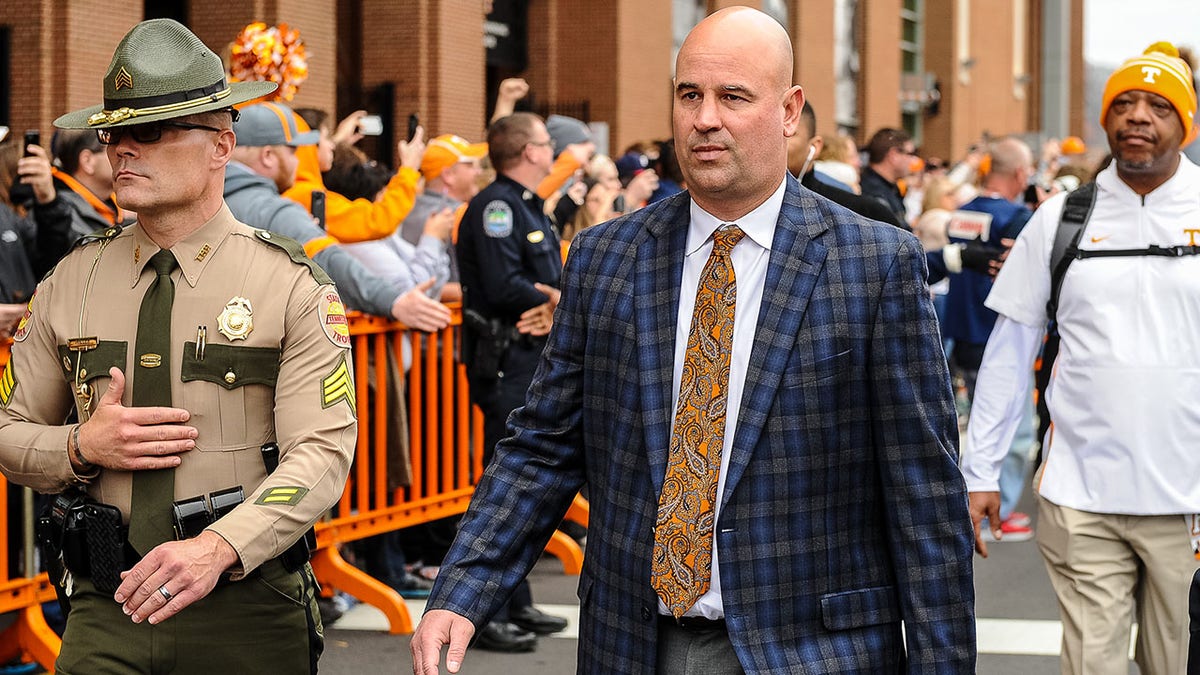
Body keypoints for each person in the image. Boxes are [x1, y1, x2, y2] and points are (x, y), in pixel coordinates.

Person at [413, 8, 975, 674]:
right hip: (635, 642)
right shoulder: (605, 257)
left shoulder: (875, 264)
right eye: (689, 95)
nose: (704, 118)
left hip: (815, 651)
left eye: (733, 96)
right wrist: (464, 585)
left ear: (790, 110)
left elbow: (924, 496)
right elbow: (544, 444)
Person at [0, 20, 356, 673]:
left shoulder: (291, 285)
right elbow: (7, 430)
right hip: (108, 608)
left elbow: (323, 455)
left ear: (222, 145)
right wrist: (79, 447)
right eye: (114, 135)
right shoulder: (68, 284)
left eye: (151, 132)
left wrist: (220, 545)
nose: (123, 151)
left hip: (248, 608)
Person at [962, 42, 1200, 675]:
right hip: (1081, 498)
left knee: (1173, 661)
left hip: (1189, 504)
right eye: (1123, 103)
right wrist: (980, 470)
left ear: (1186, 124)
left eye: (1157, 105)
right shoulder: (1061, 219)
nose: (1138, 117)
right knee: (1092, 664)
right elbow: (1010, 352)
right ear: (1105, 120)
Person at [451, 111, 570, 653]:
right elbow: (504, 285)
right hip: (502, 354)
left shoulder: (527, 205)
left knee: (520, 478)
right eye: (546, 143)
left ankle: (515, 600)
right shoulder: (496, 206)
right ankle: (482, 610)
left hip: (527, 354)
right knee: (504, 479)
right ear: (528, 151)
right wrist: (552, 299)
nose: (551, 150)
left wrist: (551, 298)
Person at [222, 102, 451, 333]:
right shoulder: (280, 206)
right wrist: (395, 302)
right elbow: (334, 253)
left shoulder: (207, 197)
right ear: (268, 156)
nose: (298, 160)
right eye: (293, 151)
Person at [50, 128, 136, 241]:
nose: (125, 155)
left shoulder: (117, 209)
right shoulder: (59, 218)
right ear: (87, 161)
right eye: (112, 147)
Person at [860, 127, 915, 229]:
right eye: (910, 154)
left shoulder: (888, 188)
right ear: (893, 155)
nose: (913, 160)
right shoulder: (875, 193)